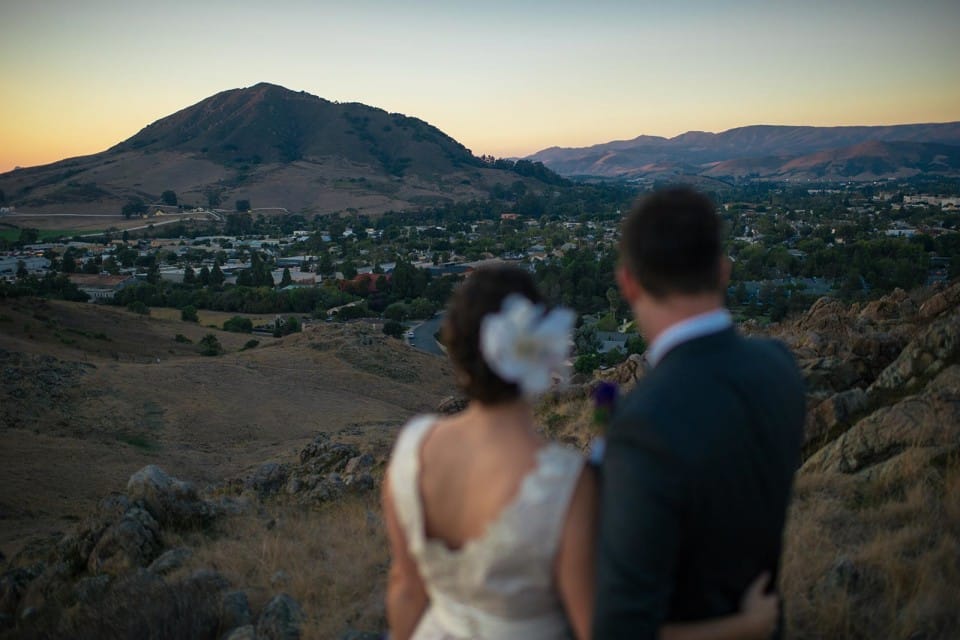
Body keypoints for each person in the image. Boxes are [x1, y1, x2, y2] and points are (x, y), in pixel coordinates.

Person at [383, 264, 781, 639]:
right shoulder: (565, 483)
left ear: (458, 354)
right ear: (542, 351)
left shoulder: (412, 448)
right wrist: (745, 627)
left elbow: (405, 590)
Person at [593, 187, 807, 639]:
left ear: (628, 282)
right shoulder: (780, 367)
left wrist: (742, 629)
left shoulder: (642, 425)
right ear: (723, 271)